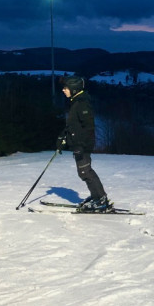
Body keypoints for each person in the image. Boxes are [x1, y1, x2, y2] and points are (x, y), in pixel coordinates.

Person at [57, 76, 111, 212]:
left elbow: (88, 127)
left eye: (66, 88)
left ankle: (100, 199)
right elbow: (73, 125)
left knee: (85, 171)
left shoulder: (81, 104)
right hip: (79, 144)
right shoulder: (76, 102)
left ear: (74, 89)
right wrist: (63, 137)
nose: (63, 90)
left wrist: (80, 145)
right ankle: (96, 197)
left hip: (83, 145)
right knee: (84, 172)